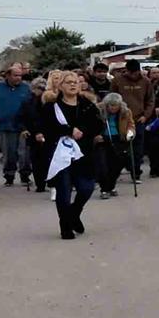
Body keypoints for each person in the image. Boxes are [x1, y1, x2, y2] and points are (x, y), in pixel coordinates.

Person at [41, 71, 104, 240]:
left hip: (83, 153)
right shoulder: (51, 106)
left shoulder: (87, 104)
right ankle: (65, 226)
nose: (72, 85)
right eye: (68, 82)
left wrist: (84, 131)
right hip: (60, 154)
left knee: (86, 188)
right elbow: (47, 127)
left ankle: (74, 213)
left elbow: (99, 124)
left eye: (75, 82)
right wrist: (68, 130)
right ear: (60, 86)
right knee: (64, 190)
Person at [0, 64, 32, 187]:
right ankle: (9, 176)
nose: (19, 78)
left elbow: (32, 104)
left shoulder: (26, 88)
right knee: (9, 153)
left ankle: (25, 176)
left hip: (23, 127)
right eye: (16, 75)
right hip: (5, 126)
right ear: (8, 76)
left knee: (24, 153)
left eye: (20, 76)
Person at [110, 59, 154, 181]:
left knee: (137, 148)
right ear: (127, 70)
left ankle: (136, 172)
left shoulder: (146, 81)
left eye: (136, 72)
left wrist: (146, 115)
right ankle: (125, 168)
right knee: (122, 147)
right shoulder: (117, 80)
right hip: (121, 119)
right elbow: (112, 99)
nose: (133, 75)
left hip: (139, 119)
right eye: (131, 72)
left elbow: (150, 100)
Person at [97, 93, 135, 199]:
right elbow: (91, 125)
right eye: (111, 105)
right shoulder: (99, 110)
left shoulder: (126, 112)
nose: (113, 108)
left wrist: (130, 132)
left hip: (119, 140)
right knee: (103, 166)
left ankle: (111, 186)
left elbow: (131, 124)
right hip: (103, 140)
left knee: (117, 165)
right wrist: (96, 136)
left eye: (115, 105)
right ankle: (104, 189)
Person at [21, 76, 51, 193]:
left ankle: (49, 181)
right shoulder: (28, 101)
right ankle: (40, 184)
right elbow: (24, 117)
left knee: (47, 158)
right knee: (36, 160)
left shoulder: (48, 101)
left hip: (47, 133)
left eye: (43, 88)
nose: (40, 90)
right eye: (38, 88)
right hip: (33, 133)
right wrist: (25, 129)